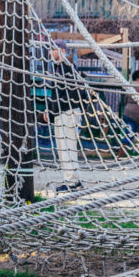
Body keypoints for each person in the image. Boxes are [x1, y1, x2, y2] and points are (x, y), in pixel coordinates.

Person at [45, 40, 87, 192]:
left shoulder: (67, 69)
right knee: (65, 148)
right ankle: (73, 180)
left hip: (68, 112)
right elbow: (57, 94)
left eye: (53, 50)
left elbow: (66, 94)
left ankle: (72, 183)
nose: (50, 53)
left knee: (67, 148)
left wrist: (52, 110)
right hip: (63, 112)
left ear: (62, 51)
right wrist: (49, 111)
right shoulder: (59, 69)